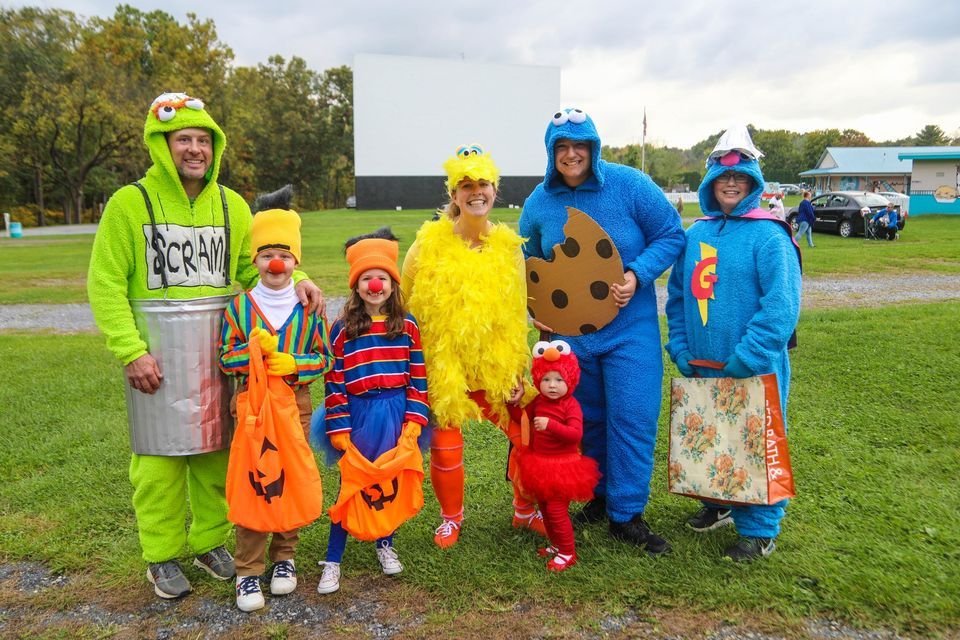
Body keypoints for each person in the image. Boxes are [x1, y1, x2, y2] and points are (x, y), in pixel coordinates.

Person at [87, 92, 323, 600]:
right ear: (162, 144)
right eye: (183, 140)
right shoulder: (130, 204)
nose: (194, 149)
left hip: (220, 357)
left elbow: (253, 269)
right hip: (156, 355)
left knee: (218, 458)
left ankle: (210, 542)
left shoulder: (232, 206)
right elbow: (105, 282)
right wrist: (130, 350)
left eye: (203, 140)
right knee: (159, 465)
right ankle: (161, 554)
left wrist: (300, 278)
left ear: (215, 147)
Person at [519, 108, 684, 553]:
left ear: (594, 147)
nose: (572, 154)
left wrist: (637, 273)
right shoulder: (538, 202)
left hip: (630, 329)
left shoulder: (630, 185)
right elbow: (527, 261)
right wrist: (534, 308)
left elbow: (671, 234)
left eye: (580, 145)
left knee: (632, 415)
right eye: (562, 147)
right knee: (584, 417)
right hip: (572, 335)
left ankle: (626, 514)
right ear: (551, 152)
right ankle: (597, 496)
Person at [664, 126, 801, 562]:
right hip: (703, 362)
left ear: (753, 182)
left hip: (751, 366)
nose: (730, 183)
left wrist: (751, 355)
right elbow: (678, 296)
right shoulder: (696, 234)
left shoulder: (770, 236)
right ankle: (717, 502)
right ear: (710, 182)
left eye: (740, 177)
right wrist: (680, 346)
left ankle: (760, 529)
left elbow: (781, 306)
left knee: (755, 443)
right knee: (709, 433)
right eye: (723, 177)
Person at [401, 144, 541, 549]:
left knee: (528, 437)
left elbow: (517, 310)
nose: (476, 192)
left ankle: (524, 510)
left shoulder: (509, 247)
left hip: (494, 365)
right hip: (445, 369)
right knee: (446, 448)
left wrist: (516, 368)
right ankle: (451, 519)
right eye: (466, 185)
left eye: (483, 184)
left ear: (494, 190)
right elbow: (403, 305)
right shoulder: (426, 246)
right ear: (454, 194)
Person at [218, 186, 333, 611]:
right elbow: (225, 357)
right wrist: (256, 355)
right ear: (255, 261)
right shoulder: (239, 307)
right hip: (251, 407)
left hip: (295, 406)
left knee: (289, 478)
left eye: (283, 254)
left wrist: (293, 364)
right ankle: (247, 570)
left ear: (296, 261)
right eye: (267, 254)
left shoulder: (310, 309)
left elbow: (324, 358)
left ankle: (285, 557)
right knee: (255, 482)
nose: (276, 263)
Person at [317, 228, 429, 593]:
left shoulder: (407, 325)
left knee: (389, 479)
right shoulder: (343, 329)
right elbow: (334, 379)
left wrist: (414, 420)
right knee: (353, 482)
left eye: (382, 277)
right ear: (356, 285)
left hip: (396, 413)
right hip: (359, 414)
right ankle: (333, 560)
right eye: (367, 278)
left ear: (393, 284)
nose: (375, 285)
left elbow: (418, 376)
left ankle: (385, 544)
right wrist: (339, 427)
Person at [511, 340, 600, 572]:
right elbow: (522, 419)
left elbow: (575, 434)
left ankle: (568, 552)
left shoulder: (570, 405)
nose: (552, 385)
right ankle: (556, 545)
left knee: (556, 511)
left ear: (570, 380)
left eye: (559, 380)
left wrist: (550, 425)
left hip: (563, 468)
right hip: (540, 465)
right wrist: (512, 404)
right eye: (546, 379)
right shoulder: (538, 402)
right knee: (545, 508)